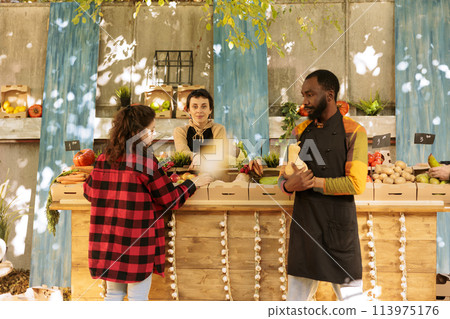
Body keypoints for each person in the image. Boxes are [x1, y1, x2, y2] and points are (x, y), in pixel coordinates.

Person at [83, 105, 212, 301]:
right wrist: (193, 183)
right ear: (136, 132)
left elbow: (89, 192)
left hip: (108, 244)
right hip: (136, 245)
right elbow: (170, 200)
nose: (153, 135)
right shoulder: (146, 162)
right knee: (138, 299)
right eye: (151, 130)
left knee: (113, 295)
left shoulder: (104, 159)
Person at [278, 70, 368, 301]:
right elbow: (283, 178)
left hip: (339, 229)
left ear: (329, 95)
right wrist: (290, 185)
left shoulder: (355, 131)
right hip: (306, 226)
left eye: (310, 94)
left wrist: (311, 182)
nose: (305, 101)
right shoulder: (299, 131)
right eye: (303, 95)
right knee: (295, 304)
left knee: (353, 303)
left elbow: (356, 184)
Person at [173, 88, 263, 174]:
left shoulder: (218, 129)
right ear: (188, 110)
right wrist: (195, 156)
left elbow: (218, 154)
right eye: (195, 107)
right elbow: (182, 151)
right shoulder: (180, 131)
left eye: (204, 106)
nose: (199, 111)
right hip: (187, 176)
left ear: (210, 110)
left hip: (213, 175)